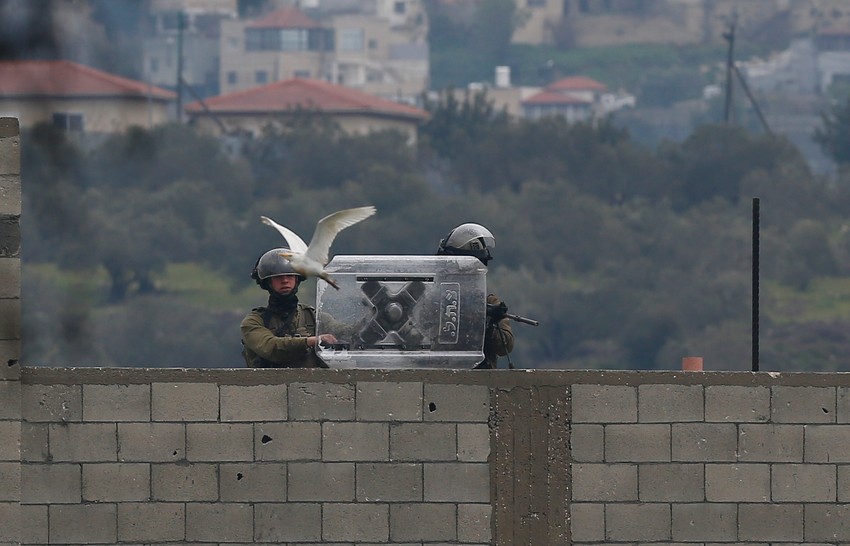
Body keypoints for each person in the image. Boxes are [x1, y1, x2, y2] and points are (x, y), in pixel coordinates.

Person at [241, 247, 337, 368]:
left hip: (312, 384)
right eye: (278, 277)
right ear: (268, 282)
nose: (285, 281)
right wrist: (311, 341)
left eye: (290, 276)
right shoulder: (254, 321)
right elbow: (271, 347)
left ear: (297, 279)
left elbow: (345, 333)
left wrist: (368, 318)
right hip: (269, 385)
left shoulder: (313, 317)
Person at [436, 223, 514, 369]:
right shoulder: (432, 295)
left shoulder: (488, 300)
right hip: (439, 372)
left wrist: (490, 321)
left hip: (478, 377)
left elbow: (505, 347)